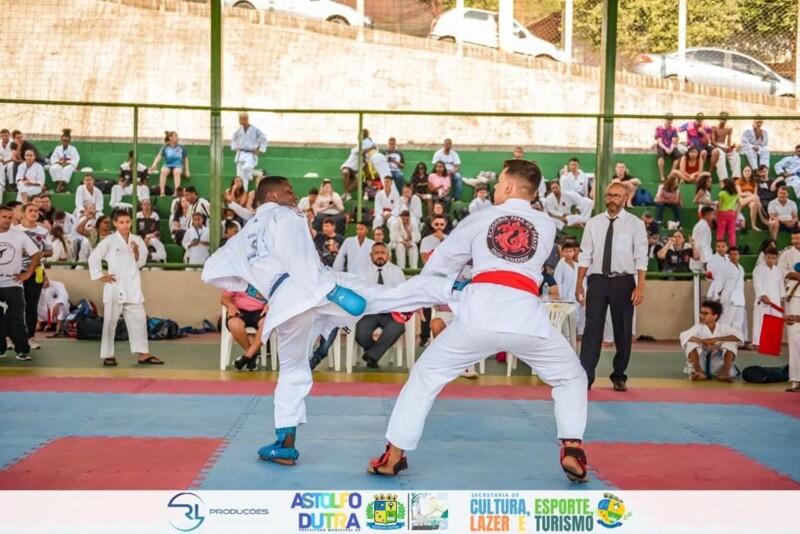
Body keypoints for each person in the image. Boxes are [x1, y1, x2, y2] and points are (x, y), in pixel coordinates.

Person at [367, 160, 590, 483]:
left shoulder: (481, 217)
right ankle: (572, 447)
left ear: (510, 186)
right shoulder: (545, 224)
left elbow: (441, 265)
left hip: (477, 316)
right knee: (570, 377)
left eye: (499, 182)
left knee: (427, 373)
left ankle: (394, 456)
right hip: (527, 319)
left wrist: (414, 299)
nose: (497, 188)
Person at [201, 176, 450, 466]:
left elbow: (210, 271)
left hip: (284, 303)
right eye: (289, 192)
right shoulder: (286, 215)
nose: (295, 198)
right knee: (380, 296)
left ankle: (284, 444)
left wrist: (254, 289)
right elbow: (298, 258)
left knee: (292, 370)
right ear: (271, 196)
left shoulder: (242, 236)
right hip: (314, 288)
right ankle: (447, 291)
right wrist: (330, 290)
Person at [576, 182, 648, 392]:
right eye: (609, 195)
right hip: (597, 280)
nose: (612, 199)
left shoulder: (635, 224)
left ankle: (619, 375)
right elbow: (585, 254)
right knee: (592, 330)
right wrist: (579, 282)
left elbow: (641, 256)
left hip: (623, 281)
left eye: (617, 196)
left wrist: (640, 286)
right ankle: (586, 376)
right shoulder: (593, 223)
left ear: (625, 199)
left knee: (623, 331)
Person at [88, 210, 163, 367]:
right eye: (121, 222)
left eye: (127, 222)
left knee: (139, 320)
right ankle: (108, 355)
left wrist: (135, 251)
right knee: (110, 322)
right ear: (115, 223)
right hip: (114, 286)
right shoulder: (109, 241)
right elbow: (93, 257)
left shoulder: (137, 240)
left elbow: (140, 262)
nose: (125, 225)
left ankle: (143, 354)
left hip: (132, 286)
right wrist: (100, 275)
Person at [355, 242, 407, 368]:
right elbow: (361, 293)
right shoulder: (362, 272)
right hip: (369, 312)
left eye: (382, 253)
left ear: (388, 255)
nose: (380, 256)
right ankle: (375, 353)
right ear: (371, 255)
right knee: (361, 334)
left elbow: (402, 293)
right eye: (376, 253)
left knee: (398, 327)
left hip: (390, 312)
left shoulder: (396, 271)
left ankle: (372, 355)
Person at [0, 206, 41, 361]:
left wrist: (28, 273)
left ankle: (22, 350)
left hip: (13, 283)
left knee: (16, 318)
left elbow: (36, 253)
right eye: (4, 217)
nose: (7, 220)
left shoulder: (19, 235)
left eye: (10, 217)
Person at [15, 203, 53, 350]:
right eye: (30, 210)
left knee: (32, 304)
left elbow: (50, 252)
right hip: (16, 271)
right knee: (14, 305)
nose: (34, 213)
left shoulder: (43, 231)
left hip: (36, 271)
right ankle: (11, 337)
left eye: (36, 211)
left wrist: (36, 254)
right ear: (23, 214)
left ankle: (30, 337)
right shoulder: (14, 231)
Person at [680, 300, 740, 382]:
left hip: (719, 364)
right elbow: (683, 335)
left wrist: (717, 339)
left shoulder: (724, 328)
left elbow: (738, 336)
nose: (702, 316)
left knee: (731, 342)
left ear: (715, 316)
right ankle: (699, 372)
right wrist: (702, 341)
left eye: (706, 313)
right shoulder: (698, 327)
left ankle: (725, 373)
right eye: (701, 313)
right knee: (690, 341)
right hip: (701, 363)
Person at [222, 289, 269, 371]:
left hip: (261, 311)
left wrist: (270, 304)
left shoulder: (267, 277)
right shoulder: (234, 278)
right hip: (239, 310)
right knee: (234, 324)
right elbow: (224, 298)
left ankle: (247, 356)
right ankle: (250, 355)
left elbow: (276, 296)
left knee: (267, 325)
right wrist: (231, 305)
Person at [752, 247, 783, 348]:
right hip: (763, 299)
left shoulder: (778, 270)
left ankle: (772, 343)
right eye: (768, 257)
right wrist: (762, 295)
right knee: (760, 320)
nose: (770, 260)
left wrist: (782, 296)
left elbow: (780, 285)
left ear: (776, 259)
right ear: (765, 257)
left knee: (775, 320)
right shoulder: (758, 269)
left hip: (775, 298)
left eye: (773, 258)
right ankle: (757, 342)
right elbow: (757, 283)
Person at [231, 112, 268, 190]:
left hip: (250, 154)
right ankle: (244, 190)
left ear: (246, 119)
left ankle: (253, 174)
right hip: (241, 154)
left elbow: (264, 139)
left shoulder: (255, 129)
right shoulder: (238, 130)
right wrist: (235, 147)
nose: (240, 121)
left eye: (241, 119)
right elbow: (233, 138)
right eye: (239, 119)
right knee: (240, 177)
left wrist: (260, 150)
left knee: (246, 168)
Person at [150, 131, 190, 197]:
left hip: (178, 165)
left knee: (176, 172)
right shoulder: (165, 147)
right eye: (175, 136)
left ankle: (176, 192)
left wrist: (187, 171)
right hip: (168, 165)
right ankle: (162, 192)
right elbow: (159, 156)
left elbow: (186, 158)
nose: (177, 138)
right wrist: (154, 164)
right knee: (163, 171)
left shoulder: (181, 147)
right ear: (170, 138)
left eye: (177, 136)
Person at [49, 129, 80, 193]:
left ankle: (59, 186)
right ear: (61, 140)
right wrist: (58, 161)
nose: (65, 142)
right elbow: (53, 157)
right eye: (64, 140)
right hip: (60, 163)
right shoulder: (58, 148)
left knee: (66, 170)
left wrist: (68, 162)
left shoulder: (73, 149)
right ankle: (61, 186)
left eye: (67, 141)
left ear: (69, 141)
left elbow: (76, 158)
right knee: (53, 168)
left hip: (69, 164)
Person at [654, 113, 680, 182]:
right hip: (662, 145)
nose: (670, 121)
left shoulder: (673, 129)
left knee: (678, 157)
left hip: (670, 146)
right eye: (668, 119)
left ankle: (670, 175)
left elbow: (674, 140)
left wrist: (671, 149)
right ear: (665, 119)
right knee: (660, 157)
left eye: (671, 119)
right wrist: (666, 149)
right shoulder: (659, 128)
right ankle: (662, 176)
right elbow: (659, 141)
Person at [716, 178, 739, 246]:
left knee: (720, 232)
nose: (721, 185)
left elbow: (719, 205)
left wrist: (716, 213)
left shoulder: (722, 193)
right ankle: (733, 247)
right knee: (731, 233)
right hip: (732, 213)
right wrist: (737, 213)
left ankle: (719, 247)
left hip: (722, 213)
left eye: (722, 183)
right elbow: (740, 204)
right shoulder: (736, 194)